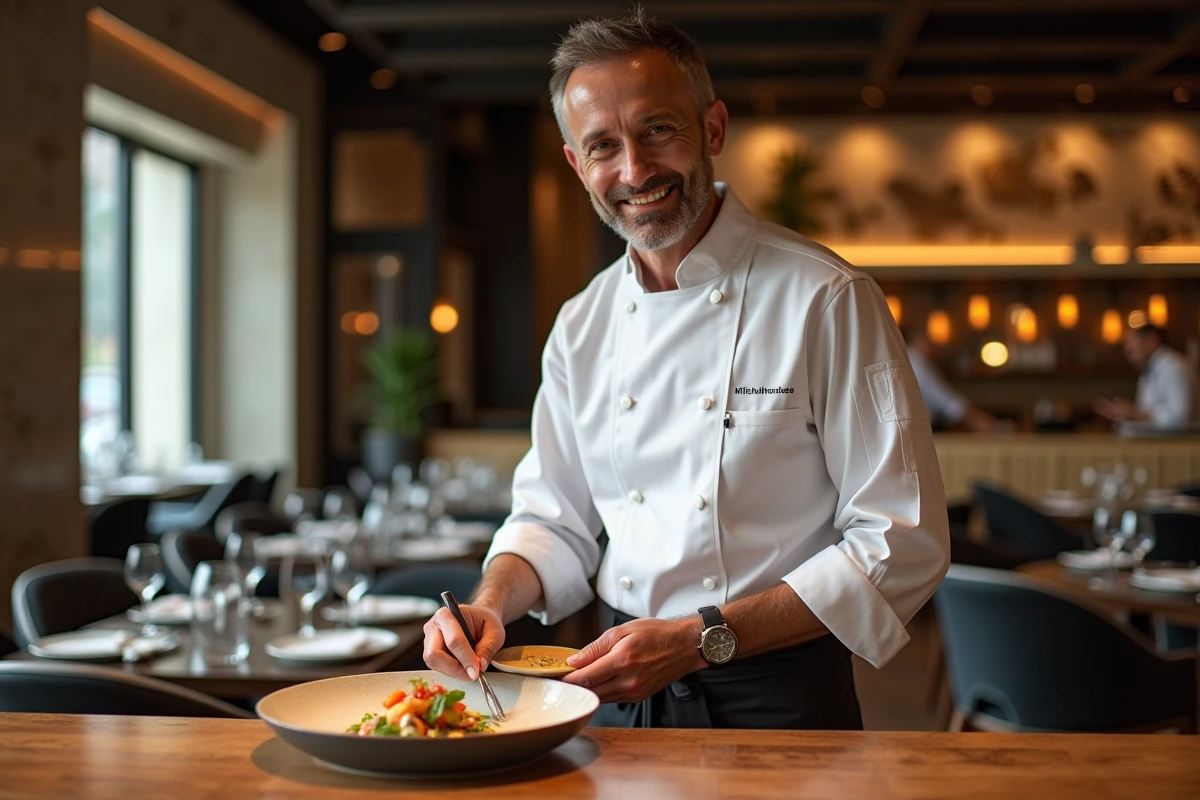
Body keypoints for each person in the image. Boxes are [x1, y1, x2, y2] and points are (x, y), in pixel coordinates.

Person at [423, 9, 950, 730]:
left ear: (713, 129)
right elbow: (552, 518)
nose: (635, 170)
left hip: (780, 697)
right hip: (613, 687)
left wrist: (700, 640)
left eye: (657, 130)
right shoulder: (583, 323)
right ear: (578, 165)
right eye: (604, 145)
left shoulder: (825, 297)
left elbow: (901, 538)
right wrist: (487, 604)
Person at [1096, 324, 1199, 429]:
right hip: (1160, 443)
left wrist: (1136, 414)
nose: (1126, 350)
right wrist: (1125, 414)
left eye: (1131, 343)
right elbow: (1146, 416)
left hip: (1181, 444)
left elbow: (1180, 420)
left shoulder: (1174, 367)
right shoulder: (1149, 369)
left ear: (1151, 341)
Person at [906, 332, 997, 432]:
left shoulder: (916, 360)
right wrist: (975, 419)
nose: (937, 349)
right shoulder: (916, 362)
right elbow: (941, 397)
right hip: (919, 430)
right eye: (933, 344)